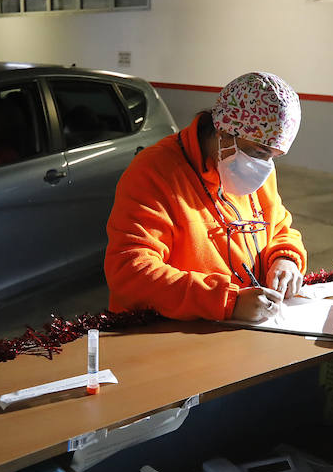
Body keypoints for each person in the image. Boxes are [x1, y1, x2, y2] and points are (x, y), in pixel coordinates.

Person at [105, 71, 306, 322]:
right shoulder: (155, 172)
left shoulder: (258, 168)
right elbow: (131, 272)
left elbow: (279, 227)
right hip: (170, 331)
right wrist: (227, 301)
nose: (264, 165)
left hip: (244, 326)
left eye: (273, 157)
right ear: (223, 132)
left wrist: (285, 258)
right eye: (259, 151)